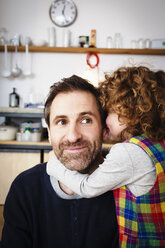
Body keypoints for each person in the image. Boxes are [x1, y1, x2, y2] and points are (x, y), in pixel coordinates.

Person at [47, 66, 165, 247]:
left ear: (129, 112)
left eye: (108, 112)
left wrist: (53, 164)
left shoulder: (128, 153)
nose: (105, 119)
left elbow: (87, 188)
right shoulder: (155, 144)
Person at [0, 75, 119, 248]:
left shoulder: (127, 188)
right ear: (48, 132)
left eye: (86, 120)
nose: (73, 136)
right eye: (61, 122)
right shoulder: (24, 189)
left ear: (103, 129)